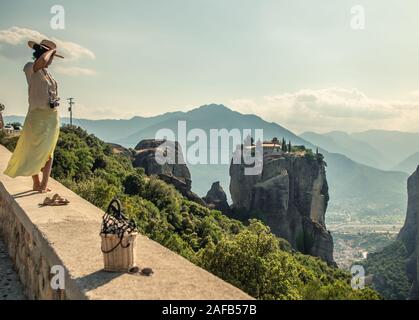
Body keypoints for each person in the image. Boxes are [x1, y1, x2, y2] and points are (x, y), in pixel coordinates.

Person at [4, 39, 64, 193]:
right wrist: (52, 51)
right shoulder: (30, 67)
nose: (51, 60)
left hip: (51, 116)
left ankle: (43, 185)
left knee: (48, 152)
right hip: (36, 116)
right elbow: (41, 62)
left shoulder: (47, 73)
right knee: (33, 150)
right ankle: (37, 183)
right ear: (45, 54)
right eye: (51, 57)